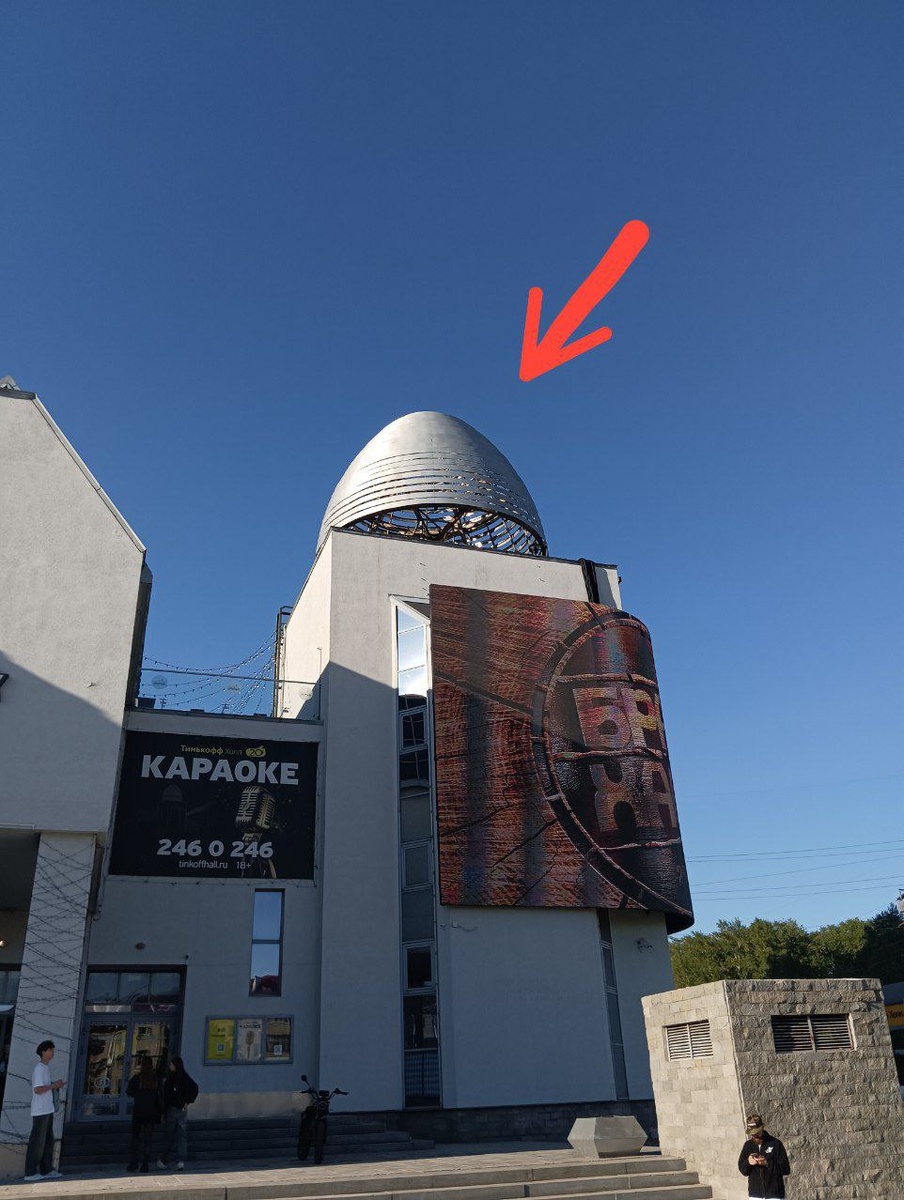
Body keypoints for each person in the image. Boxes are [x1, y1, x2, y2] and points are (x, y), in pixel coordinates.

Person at [24, 1040, 65, 1181]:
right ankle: (30, 1172)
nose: (53, 1053)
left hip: (47, 1109)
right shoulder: (39, 1069)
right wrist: (54, 1086)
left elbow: (44, 1087)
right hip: (40, 1110)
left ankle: (46, 1169)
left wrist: (55, 1085)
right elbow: (38, 1089)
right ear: (43, 1052)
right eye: (50, 1050)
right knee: (37, 1142)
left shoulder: (45, 1068)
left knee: (48, 1141)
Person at [155, 1056, 198, 1170]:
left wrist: (163, 1112)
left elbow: (166, 1097)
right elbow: (195, 1088)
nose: (170, 1066)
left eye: (171, 1064)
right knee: (181, 1136)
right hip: (182, 1110)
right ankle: (180, 1161)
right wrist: (188, 1102)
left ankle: (164, 1159)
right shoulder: (185, 1077)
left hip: (172, 1109)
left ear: (175, 1065)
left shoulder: (171, 1078)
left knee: (168, 1135)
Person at [738, 1112, 791, 1199]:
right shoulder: (747, 1145)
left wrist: (767, 1163)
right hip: (755, 1196)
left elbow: (786, 1169)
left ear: (762, 1128)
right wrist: (749, 1163)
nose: (754, 1135)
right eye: (752, 1133)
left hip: (774, 1195)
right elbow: (743, 1170)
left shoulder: (776, 1144)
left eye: (757, 1132)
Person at [126, 1057, 162, 1173]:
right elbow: (159, 1095)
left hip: (138, 1111)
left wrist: (139, 1095)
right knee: (148, 1139)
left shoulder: (137, 1078)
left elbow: (129, 1092)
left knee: (135, 1138)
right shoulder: (155, 1079)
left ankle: (134, 1163)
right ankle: (145, 1164)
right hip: (151, 1112)